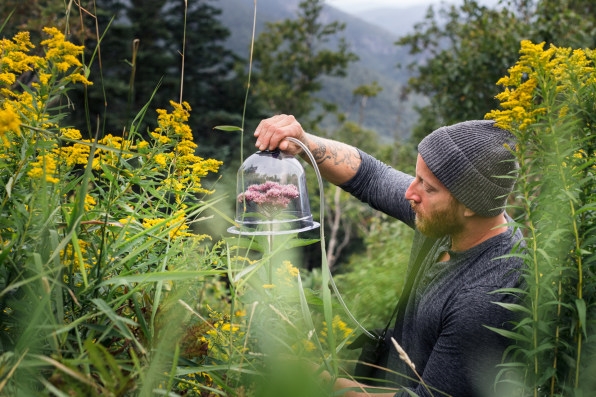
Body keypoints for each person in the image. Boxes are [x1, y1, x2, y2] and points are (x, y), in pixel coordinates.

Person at [254, 114, 524, 397]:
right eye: (417, 177)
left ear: (472, 204)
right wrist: (304, 142)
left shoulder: (486, 296)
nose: (410, 192)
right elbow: (372, 176)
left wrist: (313, 379)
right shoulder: (447, 219)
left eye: (427, 187)